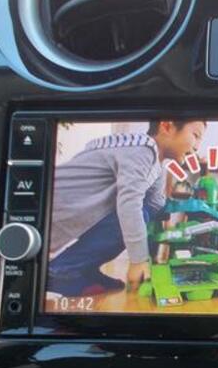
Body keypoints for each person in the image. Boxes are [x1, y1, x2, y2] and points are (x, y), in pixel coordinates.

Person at [47, 120, 206, 296]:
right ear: (167, 126)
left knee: (145, 212)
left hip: (79, 213)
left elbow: (155, 204)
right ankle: (62, 271)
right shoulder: (141, 151)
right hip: (55, 210)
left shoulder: (158, 164)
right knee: (136, 213)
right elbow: (130, 204)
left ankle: (85, 269)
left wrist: (190, 209)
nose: (197, 146)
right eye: (196, 135)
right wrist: (139, 260)